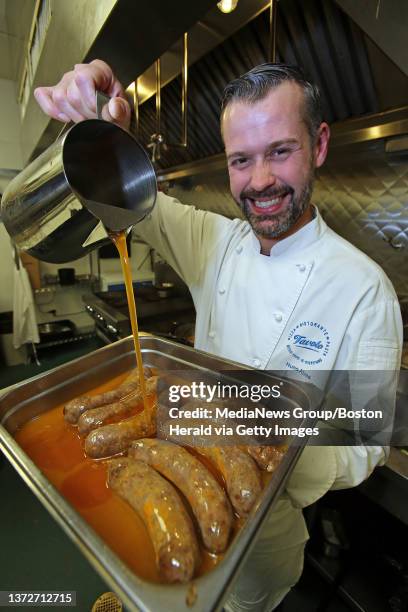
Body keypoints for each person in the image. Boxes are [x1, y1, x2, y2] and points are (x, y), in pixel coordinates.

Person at [35, 60, 402, 610]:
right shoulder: (216, 241)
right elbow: (134, 201)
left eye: (280, 151)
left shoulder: (365, 289)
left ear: (319, 144)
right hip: (168, 479)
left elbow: (370, 436)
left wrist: (269, 449)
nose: (259, 182)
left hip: (265, 541)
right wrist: (99, 123)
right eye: (240, 160)